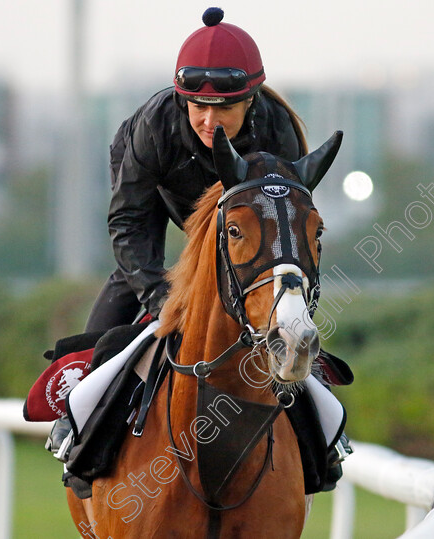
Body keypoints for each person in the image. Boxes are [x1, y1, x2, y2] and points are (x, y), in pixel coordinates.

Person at [48, 6, 308, 459]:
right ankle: (78, 422)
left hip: (246, 217)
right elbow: (128, 224)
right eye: (197, 107)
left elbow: (287, 235)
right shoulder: (153, 126)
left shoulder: (278, 132)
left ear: (250, 101)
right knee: (125, 290)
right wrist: (158, 299)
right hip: (163, 196)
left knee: (289, 321)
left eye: (224, 107)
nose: (209, 121)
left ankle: (322, 440)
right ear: (180, 98)